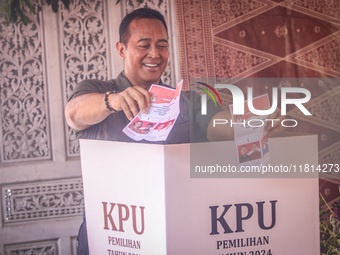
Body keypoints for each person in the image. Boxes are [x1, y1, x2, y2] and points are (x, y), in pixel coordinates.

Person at [65, 7, 281, 255]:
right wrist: (113, 101)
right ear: (122, 49)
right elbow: (74, 114)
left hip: (172, 233)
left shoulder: (187, 102)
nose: (155, 54)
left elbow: (220, 125)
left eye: (162, 45)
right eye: (144, 45)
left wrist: (254, 123)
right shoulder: (98, 89)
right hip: (110, 234)